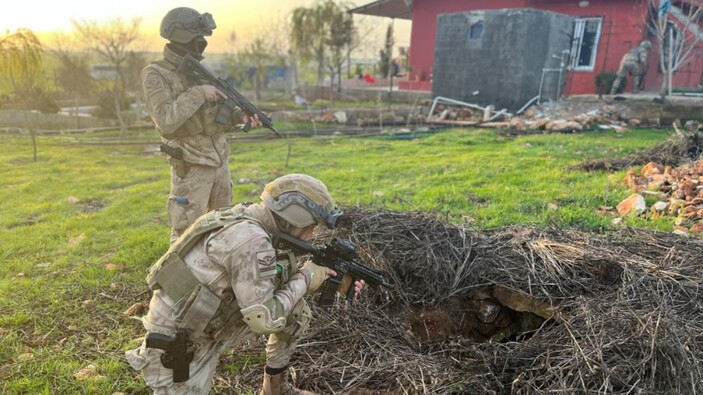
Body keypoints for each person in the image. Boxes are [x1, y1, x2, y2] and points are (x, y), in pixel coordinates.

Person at [125, 174, 365, 395]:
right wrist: (306, 278)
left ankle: (275, 389)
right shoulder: (251, 239)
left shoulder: (247, 218)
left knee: (295, 311)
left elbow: (266, 281)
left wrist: (326, 281)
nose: (311, 235)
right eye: (310, 227)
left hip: (206, 322)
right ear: (293, 217)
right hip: (179, 349)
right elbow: (263, 319)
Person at [141, 7, 262, 243]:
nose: (201, 45)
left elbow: (213, 114)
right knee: (187, 234)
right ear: (181, 37)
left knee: (223, 227)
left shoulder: (197, 70)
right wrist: (198, 93)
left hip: (219, 163)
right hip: (192, 164)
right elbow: (166, 121)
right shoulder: (156, 74)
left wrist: (239, 116)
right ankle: (175, 279)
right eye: (198, 40)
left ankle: (214, 277)